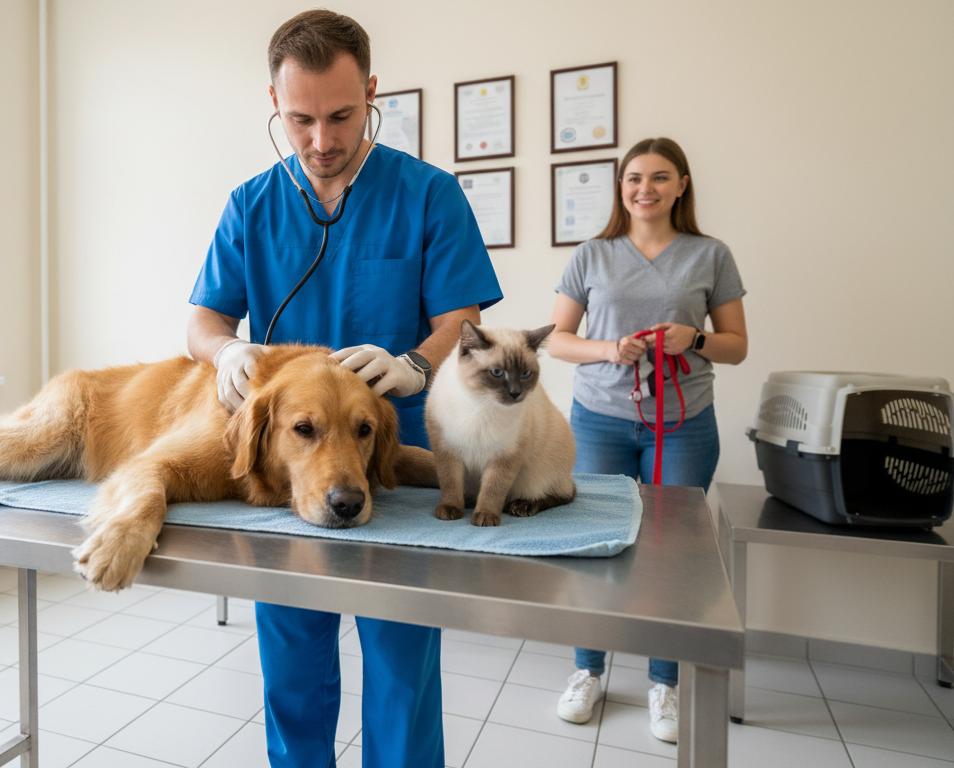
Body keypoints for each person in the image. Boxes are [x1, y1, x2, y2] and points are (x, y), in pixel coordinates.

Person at [186, 11, 502, 767]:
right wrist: (225, 350)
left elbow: (459, 320)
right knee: (292, 670)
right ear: (274, 102)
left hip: (393, 468)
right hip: (289, 477)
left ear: (372, 94)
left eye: (340, 116)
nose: (321, 140)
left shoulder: (428, 195)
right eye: (300, 120)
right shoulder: (251, 206)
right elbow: (201, 319)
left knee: (402, 670)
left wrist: (418, 364)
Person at [546, 137, 748, 742]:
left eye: (660, 178)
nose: (645, 189)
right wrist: (609, 349)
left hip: (684, 424)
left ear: (682, 185)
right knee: (595, 542)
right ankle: (588, 670)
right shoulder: (592, 255)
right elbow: (556, 339)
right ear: (620, 185)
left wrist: (695, 338)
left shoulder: (711, 255)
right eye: (633, 178)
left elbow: (737, 345)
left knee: (669, 551)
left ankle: (666, 682)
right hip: (600, 418)